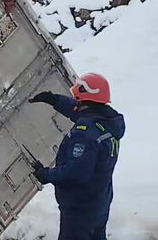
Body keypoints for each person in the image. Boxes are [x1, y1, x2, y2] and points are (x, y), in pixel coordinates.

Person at [28, 72, 126, 240]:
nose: (76, 102)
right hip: (99, 203)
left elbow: (77, 172)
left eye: (79, 99)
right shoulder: (108, 121)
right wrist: (54, 99)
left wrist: (47, 174)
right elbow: (78, 110)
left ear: (86, 99)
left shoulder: (86, 134)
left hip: (80, 209)